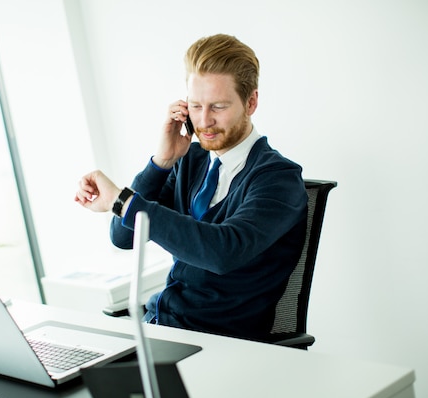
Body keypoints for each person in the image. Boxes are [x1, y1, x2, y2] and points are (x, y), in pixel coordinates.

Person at [74, 34, 307, 342]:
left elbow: (222, 252)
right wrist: (162, 162)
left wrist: (122, 199)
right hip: (161, 327)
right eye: (195, 105)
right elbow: (124, 236)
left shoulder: (277, 178)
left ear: (251, 102)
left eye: (219, 106)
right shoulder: (192, 162)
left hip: (221, 344)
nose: (204, 121)